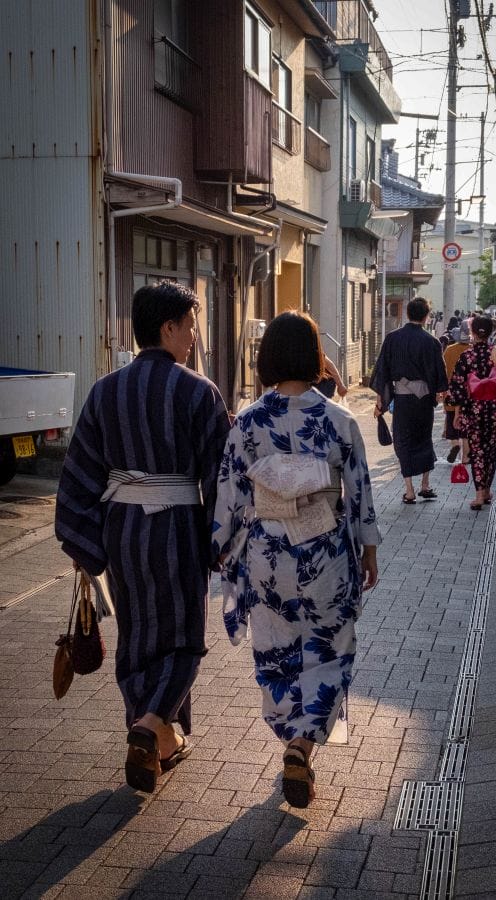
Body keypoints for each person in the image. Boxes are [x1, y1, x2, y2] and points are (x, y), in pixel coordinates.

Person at [55, 282, 231, 793]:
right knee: (182, 637)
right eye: (191, 326)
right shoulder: (199, 391)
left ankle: (160, 738)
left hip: (121, 531)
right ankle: (151, 726)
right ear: (169, 328)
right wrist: (220, 542)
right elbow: (219, 473)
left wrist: (84, 542)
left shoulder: (104, 390)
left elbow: (81, 469)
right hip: (177, 528)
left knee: (136, 635)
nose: (195, 337)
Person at [212, 311, 379, 808]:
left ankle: (290, 737)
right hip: (324, 551)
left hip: (267, 555)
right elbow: (361, 494)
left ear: (266, 360)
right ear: (317, 359)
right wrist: (368, 549)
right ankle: (305, 743)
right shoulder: (339, 420)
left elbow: (230, 495)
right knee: (329, 650)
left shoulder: (247, 423)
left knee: (277, 649)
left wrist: (224, 553)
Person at [370, 296, 448, 504]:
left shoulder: (393, 338)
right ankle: (425, 484)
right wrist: (440, 393)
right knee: (423, 438)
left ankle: (409, 490)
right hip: (423, 400)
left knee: (403, 441)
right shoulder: (431, 342)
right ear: (426, 317)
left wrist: (381, 402)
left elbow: (383, 372)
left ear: (408, 314)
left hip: (402, 399)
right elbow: (440, 373)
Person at [448, 315, 496, 510]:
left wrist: (457, 412)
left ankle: (479, 494)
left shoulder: (467, 356)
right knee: (490, 451)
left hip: (474, 410)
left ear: (472, 333)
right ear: (491, 332)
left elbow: (457, 387)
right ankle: (487, 490)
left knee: (477, 451)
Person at [443, 320, 471, 464]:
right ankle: (466, 456)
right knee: (466, 426)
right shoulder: (472, 351)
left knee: (451, 418)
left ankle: (454, 444)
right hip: (469, 394)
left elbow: (444, 370)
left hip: (451, 391)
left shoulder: (449, 350)